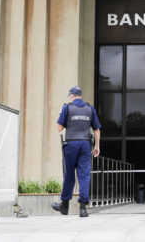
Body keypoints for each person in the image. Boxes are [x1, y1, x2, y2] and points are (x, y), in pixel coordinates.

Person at [52, 86, 101, 217]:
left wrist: (62, 115)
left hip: (71, 144)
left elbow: (59, 128)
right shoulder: (90, 109)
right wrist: (97, 146)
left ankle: (64, 206)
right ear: (81, 96)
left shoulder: (67, 108)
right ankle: (83, 208)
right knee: (84, 175)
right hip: (85, 144)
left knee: (68, 174)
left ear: (72, 96)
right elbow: (96, 129)